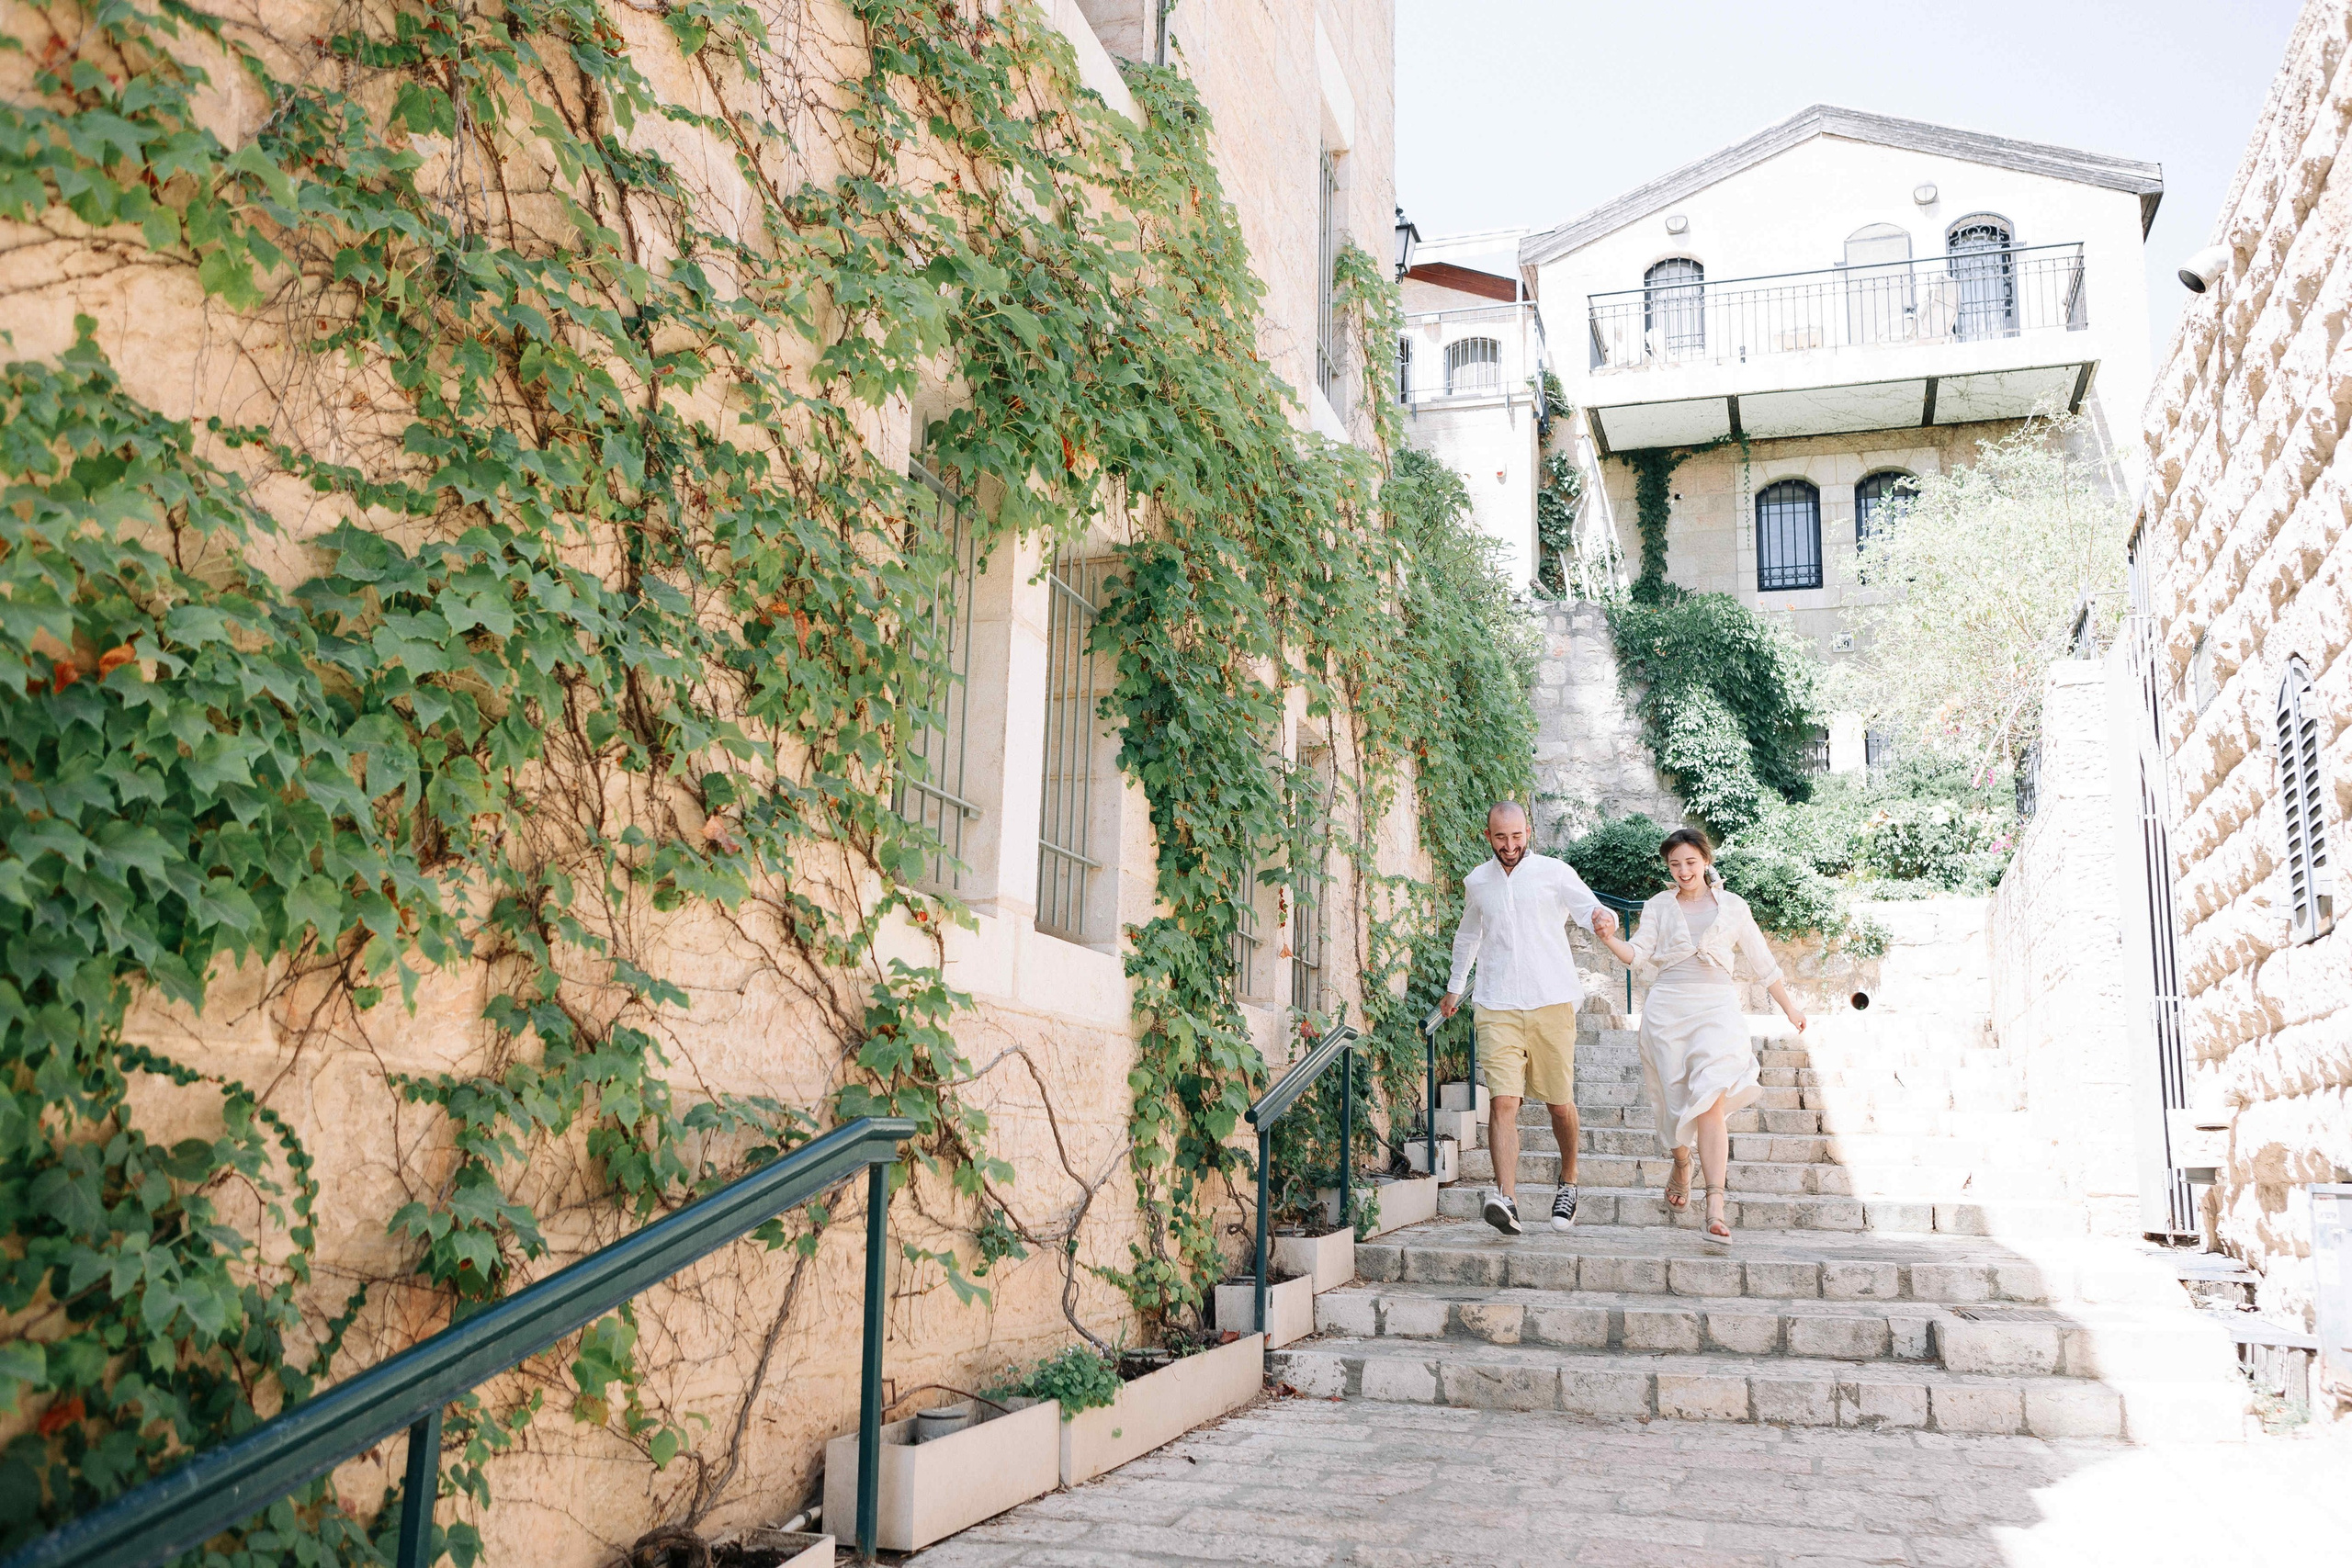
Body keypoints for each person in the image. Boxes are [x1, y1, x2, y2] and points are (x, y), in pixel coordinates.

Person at [1594, 826, 1806, 1246]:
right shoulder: (1657, 906)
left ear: (1706, 861)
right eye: (1675, 865)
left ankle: (1715, 1207)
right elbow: (1638, 955)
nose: (1683, 871)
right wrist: (1609, 940)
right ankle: (1680, 1162)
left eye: (1690, 862)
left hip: (1716, 1010)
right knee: (1674, 1109)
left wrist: (1789, 1007)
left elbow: (1763, 963)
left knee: (1710, 1098)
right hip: (1667, 1012)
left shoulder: (1733, 906)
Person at [1439, 801, 1619, 1235]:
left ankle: (1569, 1183)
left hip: (1551, 1001)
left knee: (1560, 1103)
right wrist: (1455, 985)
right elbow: (1469, 935)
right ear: (1489, 837)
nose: (1510, 845)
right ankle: (1507, 1198)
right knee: (1502, 1101)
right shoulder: (1478, 882)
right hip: (1496, 1002)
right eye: (1501, 837)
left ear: (1528, 832)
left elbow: (1589, 908)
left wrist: (1604, 917)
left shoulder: (1554, 872)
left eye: (1516, 836)